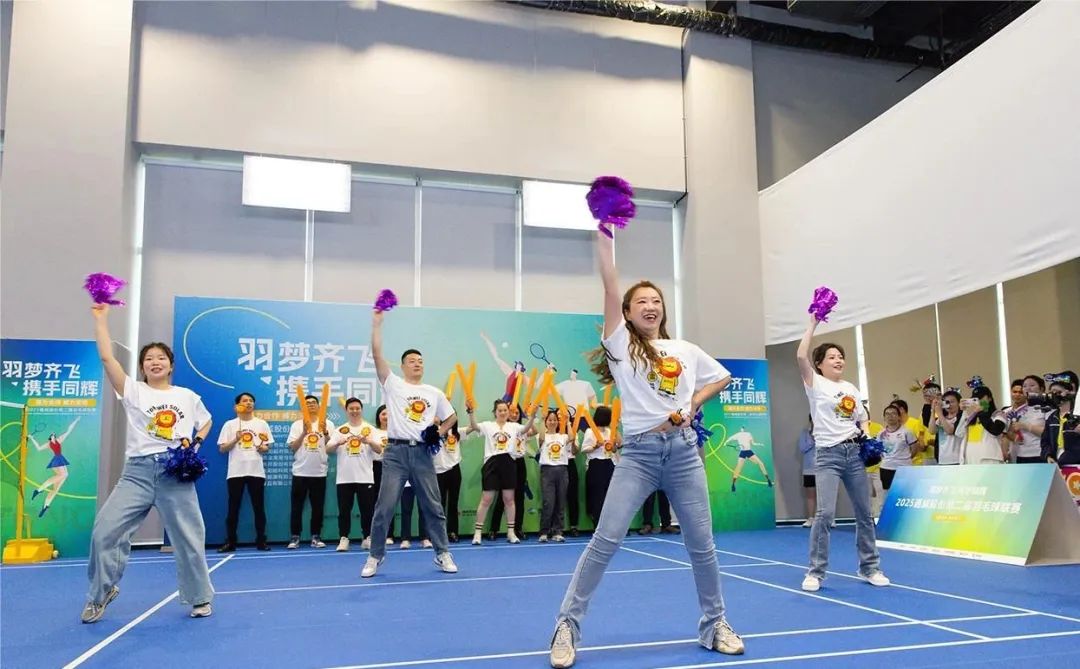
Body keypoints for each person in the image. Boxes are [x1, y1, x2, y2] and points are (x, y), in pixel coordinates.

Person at [549, 229, 743, 669]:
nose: (650, 306)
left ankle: (715, 624)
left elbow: (722, 377)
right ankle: (566, 626)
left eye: (656, 300)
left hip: (684, 453)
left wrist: (693, 403)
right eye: (641, 302)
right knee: (605, 541)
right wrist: (605, 236)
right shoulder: (620, 346)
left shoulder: (684, 349)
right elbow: (609, 285)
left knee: (702, 545)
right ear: (627, 313)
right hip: (638, 455)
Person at [83, 303, 214, 623]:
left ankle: (199, 597)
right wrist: (101, 319)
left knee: (189, 538)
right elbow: (107, 358)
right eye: (149, 359)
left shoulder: (187, 396)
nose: (155, 362)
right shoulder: (133, 390)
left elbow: (206, 421)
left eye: (161, 358)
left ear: (170, 365)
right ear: (142, 366)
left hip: (175, 474)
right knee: (104, 532)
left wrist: (196, 443)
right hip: (137, 473)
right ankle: (100, 594)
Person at [361, 307, 459, 578]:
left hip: (423, 454)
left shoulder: (433, 392)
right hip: (395, 452)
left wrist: (438, 432)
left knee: (433, 506)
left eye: (421, 361)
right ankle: (375, 556)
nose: (417, 364)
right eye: (412, 361)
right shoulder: (393, 384)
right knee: (384, 507)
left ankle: (442, 553)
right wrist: (377, 324)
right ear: (403, 366)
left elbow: (452, 417)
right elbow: (376, 354)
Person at [796, 310, 889, 594]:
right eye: (832, 357)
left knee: (864, 513)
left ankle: (870, 567)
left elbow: (862, 417)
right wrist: (812, 324)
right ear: (820, 364)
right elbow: (800, 356)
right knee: (824, 514)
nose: (838, 360)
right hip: (828, 455)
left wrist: (867, 436)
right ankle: (815, 572)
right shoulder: (815, 383)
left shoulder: (850, 387)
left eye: (841, 356)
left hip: (854, 453)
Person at [466, 399, 534, 544]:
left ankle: (511, 532)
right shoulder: (488, 426)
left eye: (505, 410)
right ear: (495, 412)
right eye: (500, 410)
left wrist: (532, 416)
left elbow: (526, 429)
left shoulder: (514, 426)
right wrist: (470, 412)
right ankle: (477, 533)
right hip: (492, 464)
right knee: (486, 499)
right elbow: (474, 426)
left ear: (508, 412)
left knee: (509, 499)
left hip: (509, 463)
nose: (503, 413)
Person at [217, 392, 272, 552]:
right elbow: (222, 449)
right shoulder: (230, 425)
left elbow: (266, 447)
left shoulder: (261, 424)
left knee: (259, 508)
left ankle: (261, 541)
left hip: (256, 471)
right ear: (237, 406)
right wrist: (236, 439)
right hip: (236, 472)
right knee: (233, 508)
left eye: (251, 401)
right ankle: (231, 542)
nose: (248, 403)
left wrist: (262, 448)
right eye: (245, 401)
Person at [328, 397, 382, 552]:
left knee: (367, 510)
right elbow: (327, 449)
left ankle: (367, 538)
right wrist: (337, 443)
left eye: (357, 408)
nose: (354, 411)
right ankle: (344, 538)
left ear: (361, 410)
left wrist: (369, 442)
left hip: (365, 477)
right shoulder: (340, 430)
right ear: (346, 410)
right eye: (351, 408)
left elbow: (380, 449)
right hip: (344, 478)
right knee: (344, 511)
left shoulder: (370, 429)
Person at [286, 394, 335, 549]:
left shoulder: (328, 423)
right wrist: (304, 432)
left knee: (318, 507)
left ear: (319, 406)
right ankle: (295, 537)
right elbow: (293, 447)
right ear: (303, 407)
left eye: (314, 402)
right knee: (297, 507)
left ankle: (316, 537)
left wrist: (325, 432)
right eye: (307, 403)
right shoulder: (296, 424)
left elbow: (331, 447)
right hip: (300, 472)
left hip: (319, 472)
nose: (311, 405)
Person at [28, 416, 81, 517]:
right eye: (52, 434)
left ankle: (45, 506)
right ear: (50, 437)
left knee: (55, 489)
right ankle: (39, 489)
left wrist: (76, 421)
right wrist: (32, 438)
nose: (53, 434)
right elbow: (39, 448)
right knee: (65, 474)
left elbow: (69, 430)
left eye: (54, 434)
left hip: (60, 460)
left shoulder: (59, 440)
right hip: (56, 461)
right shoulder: (49, 444)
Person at [537, 408, 572, 543]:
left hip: (562, 470)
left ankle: (557, 531)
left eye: (554, 420)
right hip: (547, 470)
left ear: (558, 422)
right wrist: (542, 420)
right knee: (548, 502)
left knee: (560, 502)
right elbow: (541, 439)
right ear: (546, 422)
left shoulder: (562, 436)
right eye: (549, 420)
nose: (552, 422)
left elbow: (572, 438)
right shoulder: (542, 435)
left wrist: (567, 422)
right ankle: (544, 532)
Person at [958, 384, 1008, 464]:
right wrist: (962, 411)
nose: (978, 401)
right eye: (975, 399)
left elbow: (996, 430)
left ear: (990, 399)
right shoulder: (972, 416)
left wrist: (981, 412)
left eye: (981, 398)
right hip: (970, 458)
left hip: (989, 458)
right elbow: (959, 433)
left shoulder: (999, 414)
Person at [1006, 375, 1047, 464]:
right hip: (1021, 455)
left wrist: (1026, 426)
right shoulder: (1017, 411)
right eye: (1024, 386)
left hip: (1040, 454)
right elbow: (1010, 434)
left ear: (1041, 389)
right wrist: (1012, 434)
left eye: (1032, 385)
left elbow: (1050, 433)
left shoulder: (1047, 409)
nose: (1028, 388)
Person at [1041, 372, 1080, 467]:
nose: (1055, 396)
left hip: (1075, 463)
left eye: (1058, 392)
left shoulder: (1077, 416)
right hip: (1056, 463)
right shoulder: (1052, 417)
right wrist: (1048, 456)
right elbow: (1045, 441)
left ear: (1070, 392)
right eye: (1052, 393)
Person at [879, 404, 920, 490]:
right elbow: (879, 450)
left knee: (905, 493)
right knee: (889, 494)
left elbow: (915, 448)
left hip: (904, 468)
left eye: (893, 413)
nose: (890, 416)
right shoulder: (881, 433)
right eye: (887, 414)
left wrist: (905, 458)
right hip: (886, 468)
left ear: (899, 417)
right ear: (884, 417)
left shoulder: (907, 431)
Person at [435, 423, 463, 543]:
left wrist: (471, 413)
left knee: (453, 502)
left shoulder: (456, 432)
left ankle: (453, 531)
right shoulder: (434, 430)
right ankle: (439, 533)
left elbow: (473, 427)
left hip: (454, 469)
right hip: (438, 470)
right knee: (439, 503)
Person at [723, 426, 773, 492]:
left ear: (744, 429)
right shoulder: (738, 434)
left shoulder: (749, 434)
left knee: (760, 463)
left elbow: (753, 443)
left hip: (749, 452)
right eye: (742, 428)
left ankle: (768, 480)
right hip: (743, 452)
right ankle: (733, 484)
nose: (742, 429)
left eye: (743, 428)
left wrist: (759, 444)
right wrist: (726, 442)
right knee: (738, 468)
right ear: (741, 429)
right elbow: (731, 438)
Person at [927, 389, 963, 465]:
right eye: (946, 402)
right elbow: (931, 431)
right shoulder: (942, 418)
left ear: (959, 403)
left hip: (957, 459)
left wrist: (939, 413)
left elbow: (950, 431)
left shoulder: (961, 417)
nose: (949, 404)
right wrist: (933, 410)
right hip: (942, 460)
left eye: (952, 402)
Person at [797, 415, 816, 528]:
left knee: (826, 495)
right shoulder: (805, 433)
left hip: (825, 467)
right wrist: (812, 438)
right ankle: (811, 518)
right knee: (810, 495)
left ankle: (829, 518)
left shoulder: (827, 432)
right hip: (809, 468)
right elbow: (802, 448)